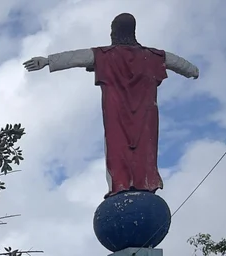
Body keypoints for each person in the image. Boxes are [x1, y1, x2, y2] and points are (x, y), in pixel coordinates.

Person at [22, 13, 199, 198]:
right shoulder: (152, 56)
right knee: (144, 147)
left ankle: (122, 185)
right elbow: (177, 62)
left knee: (118, 146)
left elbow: (77, 57)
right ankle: (142, 183)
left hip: (117, 112)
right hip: (145, 113)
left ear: (115, 32)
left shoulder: (106, 55)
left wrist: (47, 60)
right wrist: (192, 71)